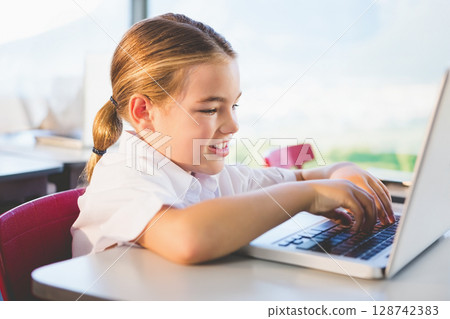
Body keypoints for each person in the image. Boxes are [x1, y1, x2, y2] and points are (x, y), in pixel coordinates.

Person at [71, 13, 394, 264]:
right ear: (144, 111)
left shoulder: (208, 175)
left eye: (233, 105)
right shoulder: (123, 176)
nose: (233, 125)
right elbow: (188, 238)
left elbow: (305, 174)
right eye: (211, 109)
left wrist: (341, 172)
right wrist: (307, 195)